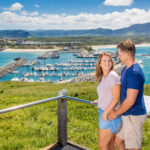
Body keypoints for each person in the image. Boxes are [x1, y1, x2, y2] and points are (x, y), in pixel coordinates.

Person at [109, 39, 147, 150]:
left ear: (127, 54)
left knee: (133, 147)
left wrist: (115, 113)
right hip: (127, 114)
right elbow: (122, 89)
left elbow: (130, 100)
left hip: (134, 115)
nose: (118, 57)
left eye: (120, 54)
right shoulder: (127, 69)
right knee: (119, 140)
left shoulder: (134, 72)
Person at [92, 52, 122, 150]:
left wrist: (105, 113)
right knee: (110, 146)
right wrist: (100, 100)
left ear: (112, 63)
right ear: (100, 64)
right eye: (104, 61)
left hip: (109, 115)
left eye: (109, 60)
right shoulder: (104, 77)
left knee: (102, 145)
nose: (107, 62)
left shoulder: (112, 75)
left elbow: (116, 98)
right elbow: (108, 94)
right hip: (106, 114)